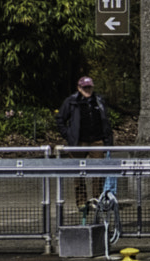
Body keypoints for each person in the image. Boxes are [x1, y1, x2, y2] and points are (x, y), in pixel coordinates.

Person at [55, 76, 116, 213]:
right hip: (78, 142)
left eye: (89, 87)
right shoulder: (71, 101)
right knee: (79, 173)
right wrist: (68, 135)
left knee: (98, 172)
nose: (87, 90)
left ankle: (96, 200)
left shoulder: (99, 100)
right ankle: (82, 202)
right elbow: (60, 119)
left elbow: (105, 120)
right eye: (85, 87)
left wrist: (108, 140)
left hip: (97, 140)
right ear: (79, 88)